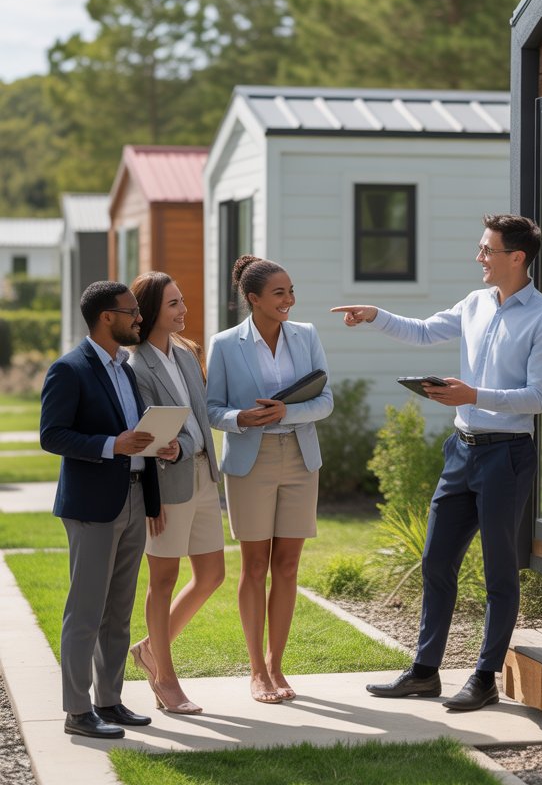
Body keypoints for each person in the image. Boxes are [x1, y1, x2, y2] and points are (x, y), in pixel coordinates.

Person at [332, 213, 542, 712]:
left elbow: (537, 397)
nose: (478, 257)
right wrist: (375, 314)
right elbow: (421, 332)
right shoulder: (476, 303)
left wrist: (470, 392)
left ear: (517, 258)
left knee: (499, 571)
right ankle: (424, 671)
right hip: (461, 450)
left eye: (487, 250)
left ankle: (484, 678)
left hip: (506, 456)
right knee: (437, 559)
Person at [40, 280, 179, 739]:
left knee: (119, 611)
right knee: (86, 610)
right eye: (132, 312)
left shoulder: (125, 368)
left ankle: (109, 700)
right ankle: (78, 711)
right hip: (92, 506)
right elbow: (52, 435)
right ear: (107, 317)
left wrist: (159, 451)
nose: (140, 318)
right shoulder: (70, 369)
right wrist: (110, 445)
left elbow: (134, 433)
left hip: (135, 496)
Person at [206, 255, 333, 704]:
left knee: (288, 566)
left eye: (291, 291)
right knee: (255, 566)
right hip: (250, 462)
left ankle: (278, 666)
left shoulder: (307, 335)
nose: (289, 300)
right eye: (279, 293)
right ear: (253, 298)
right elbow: (211, 408)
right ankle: (256, 671)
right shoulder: (224, 344)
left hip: (300, 457)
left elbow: (326, 400)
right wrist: (241, 417)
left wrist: (287, 412)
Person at [128, 272, 226, 714]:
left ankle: (149, 648)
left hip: (204, 476)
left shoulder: (187, 355)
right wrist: (151, 497)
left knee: (211, 575)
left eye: (182, 301)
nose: (183, 309)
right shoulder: (136, 366)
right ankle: (165, 679)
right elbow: (147, 437)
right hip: (166, 485)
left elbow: (198, 421)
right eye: (173, 304)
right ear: (150, 312)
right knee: (163, 580)